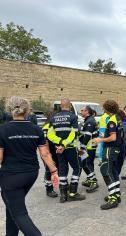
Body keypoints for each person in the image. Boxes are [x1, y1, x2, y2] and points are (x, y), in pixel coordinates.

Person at [0, 96, 59, 236]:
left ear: (9, 109)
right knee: (12, 207)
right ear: (27, 110)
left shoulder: (2, 130)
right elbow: (45, 154)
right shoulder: (36, 129)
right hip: (31, 173)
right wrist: (54, 171)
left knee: (19, 213)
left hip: (11, 176)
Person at [47, 98, 85, 203]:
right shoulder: (73, 116)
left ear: (60, 106)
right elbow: (74, 133)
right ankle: (73, 193)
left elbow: (50, 134)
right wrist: (64, 143)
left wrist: (59, 143)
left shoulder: (54, 117)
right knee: (77, 168)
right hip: (70, 148)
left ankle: (63, 195)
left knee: (62, 170)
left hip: (59, 150)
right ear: (70, 106)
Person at [94, 100, 122, 210]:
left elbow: (113, 137)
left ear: (107, 108)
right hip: (116, 148)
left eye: (104, 107)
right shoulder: (118, 117)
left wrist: (100, 140)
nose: (103, 109)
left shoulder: (111, 120)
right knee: (113, 171)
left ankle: (113, 198)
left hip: (110, 148)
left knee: (105, 170)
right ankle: (116, 194)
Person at [79, 106, 99, 193]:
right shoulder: (88, 120)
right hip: (88, 146)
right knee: (86, 163)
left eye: (82, 110)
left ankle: (93, 182)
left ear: (87, 111)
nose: (81, 112)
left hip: (89, 146)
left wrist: (82, 146)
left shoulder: (90, 121)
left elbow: (87, 135)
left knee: (87, 163)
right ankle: (90, 179)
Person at [42, 111, 59, 198]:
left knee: (56, 169)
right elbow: (45, 143)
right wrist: (49, 156)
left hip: (55, 152)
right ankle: (49, 189)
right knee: (49, 170)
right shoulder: (46, 127)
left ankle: (54, 186)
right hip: (48, 152)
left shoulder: (54, 126)